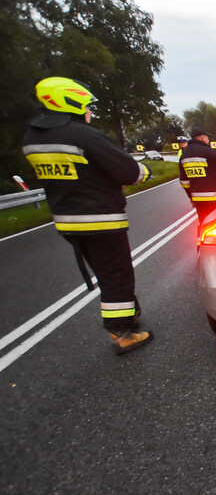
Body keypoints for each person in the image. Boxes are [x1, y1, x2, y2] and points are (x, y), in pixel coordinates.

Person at [22, 77, 153, 354]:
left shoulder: (32, 137)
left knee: (105, 273)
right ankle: (122, 333)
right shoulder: (83, 135)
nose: (89, 112)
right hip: (101, 218)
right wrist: (144, 172)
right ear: (71, 102)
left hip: (66, 220)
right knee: (117, 273)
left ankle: (129, 313)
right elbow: (129, 171)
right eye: (87, 106)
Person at [178, 127, 216, 227]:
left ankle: (202, 241)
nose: (208, 140)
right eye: (207, 137)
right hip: (214, 197)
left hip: (198, 200)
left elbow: (184, 181)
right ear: (203, 137)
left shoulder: (184, 155)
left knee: (204, 224)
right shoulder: (205, 151)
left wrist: (191, 197)